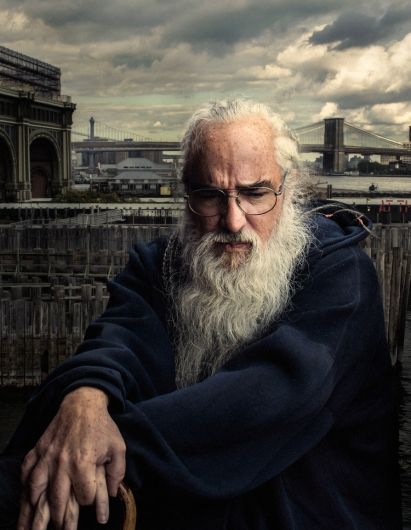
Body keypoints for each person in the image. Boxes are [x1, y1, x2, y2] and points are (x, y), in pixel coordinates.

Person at [0, 98, 401, 529]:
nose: (233, 220)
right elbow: (117, 343)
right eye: (210, 195)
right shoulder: (161, 265)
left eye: (254, 193)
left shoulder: (344, 277)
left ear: (289, 189)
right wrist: (85, 398)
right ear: (186, 195)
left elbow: (274, 397)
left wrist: (90, 455)